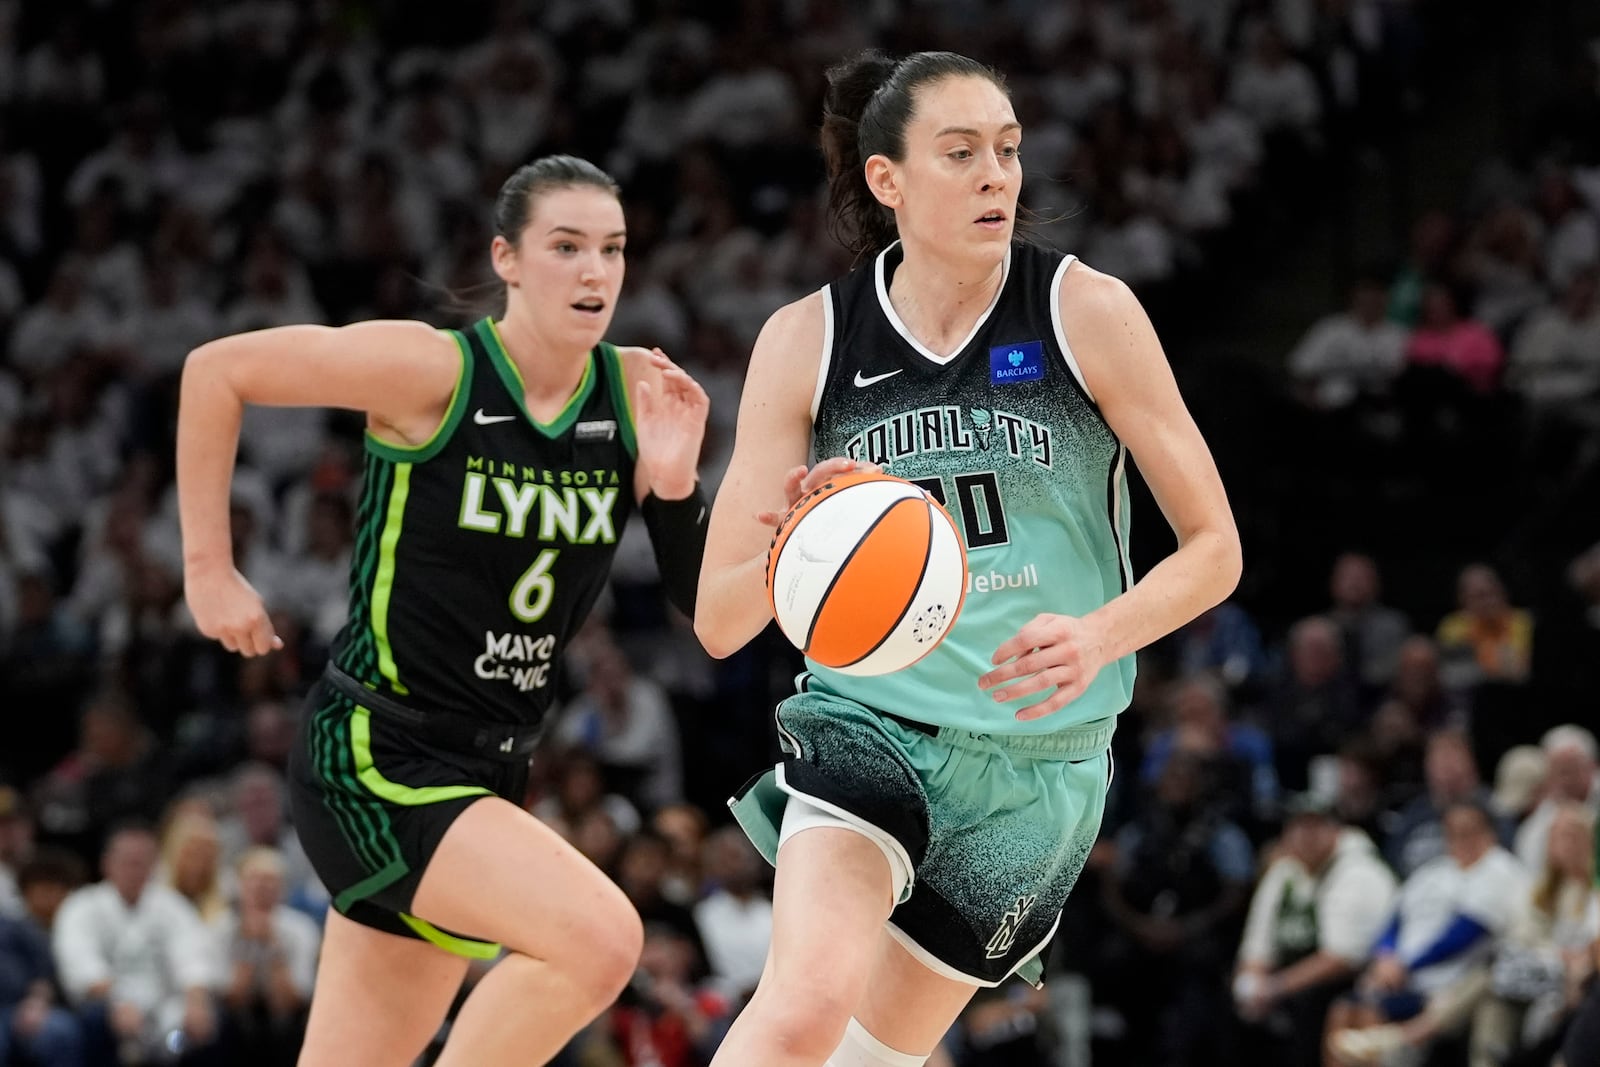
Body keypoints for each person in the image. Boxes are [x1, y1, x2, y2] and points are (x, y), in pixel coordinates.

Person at [694, 50, 1242, 1067]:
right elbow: (721, 619)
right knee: (802, 1007)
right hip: (870, 722)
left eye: (1007, 149)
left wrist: (1099, 631)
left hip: (1041, 764)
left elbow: (1217, 550)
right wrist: (795, 543)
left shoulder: (1086, 311)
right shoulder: (806, 339)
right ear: (886, 179)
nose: (997, 174)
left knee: (865, 1058)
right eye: (961, 154)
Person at [175, 154, 711, 1067]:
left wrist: (674, 490)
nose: (595, 272)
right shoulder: (434, 369)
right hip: (377, 754)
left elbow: (705, 611)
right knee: (603, 940)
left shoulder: (632, 393)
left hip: (489, 770)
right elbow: (215, 370)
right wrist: (208, 569)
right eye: (567, 247)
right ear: (506, 258)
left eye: (613, 250)